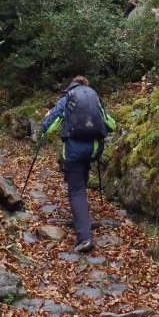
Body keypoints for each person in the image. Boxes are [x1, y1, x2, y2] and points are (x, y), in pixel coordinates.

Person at [41, 76, 115, 253]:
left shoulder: (67, 98)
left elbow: (48, 128)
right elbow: (111, 124)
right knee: (82, 172)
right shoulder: (94, 98)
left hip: (74, 152)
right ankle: (83, 217)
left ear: (72, 84)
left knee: (76, 191)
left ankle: (84, 238)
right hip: (94, 151)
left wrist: (49, 117)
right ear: (86, 86)